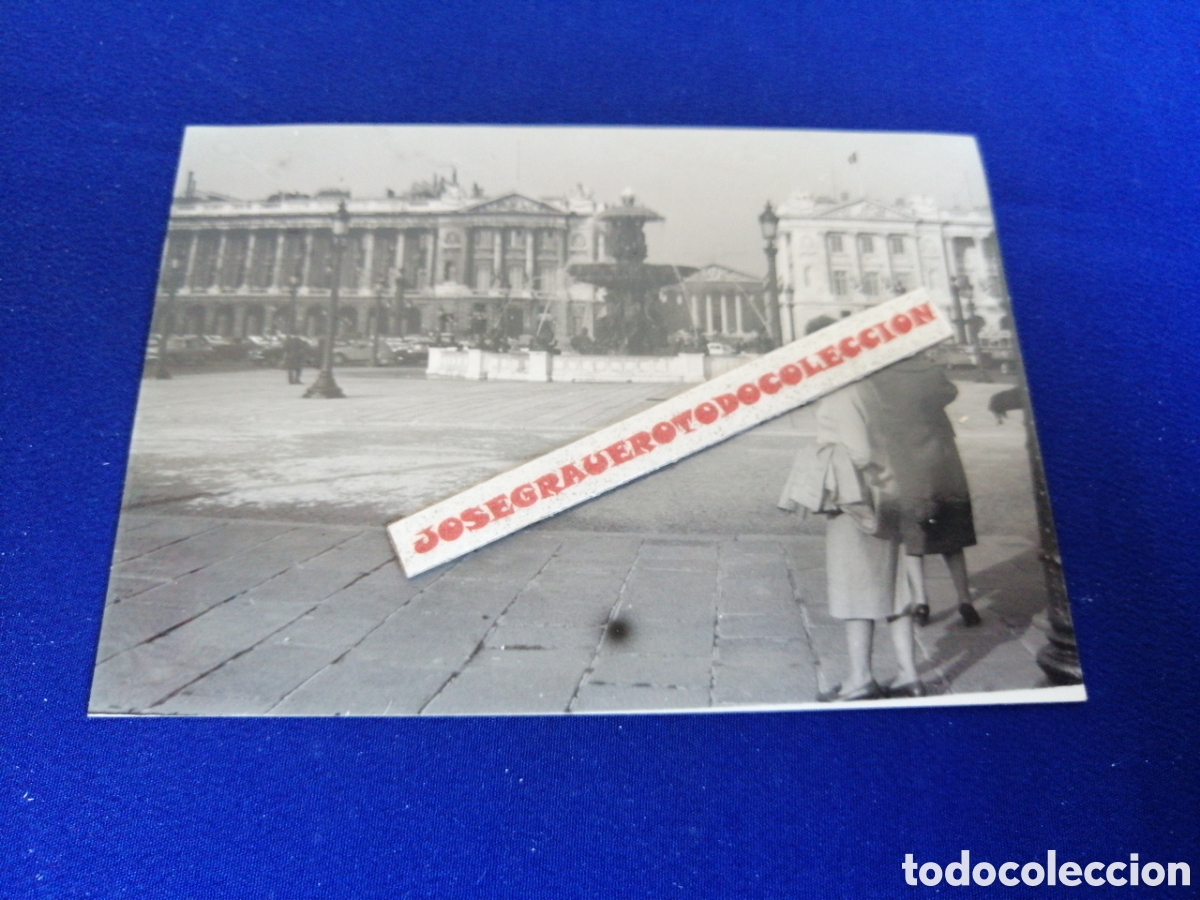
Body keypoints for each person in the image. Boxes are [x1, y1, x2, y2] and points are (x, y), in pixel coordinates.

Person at [779, 372, 923, 701]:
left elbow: (859, 451)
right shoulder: (869, 384)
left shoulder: (841, 391)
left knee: (853, 588)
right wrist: (890, 486)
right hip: (887, 496)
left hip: (857, 500)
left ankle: (860, 679)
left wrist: (863, 493)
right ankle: (909, 676)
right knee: (895, 585)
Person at [869, 353, 981, 628]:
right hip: (941, 459)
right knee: (952, 533)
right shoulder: (932, 371)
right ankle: (965, 600)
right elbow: (950, 392)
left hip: (904, 459)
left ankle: (921, 602)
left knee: (912, 532)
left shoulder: (881, 376)